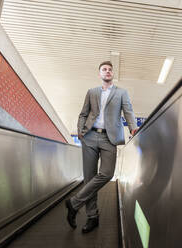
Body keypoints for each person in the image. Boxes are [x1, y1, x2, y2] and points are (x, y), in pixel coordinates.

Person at [65, 61, 138, 233]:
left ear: (113, 74)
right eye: (104, 69)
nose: (107, 71)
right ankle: (92, 217)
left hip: (109, 138)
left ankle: (74, 203)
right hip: (90, 136)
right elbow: (83, 113)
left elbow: (128, 111)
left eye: (110, 70)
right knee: (90, 178)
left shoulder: (121, 93)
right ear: (100, 74)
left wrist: (133, 127)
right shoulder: (92, 92)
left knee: (107, 173)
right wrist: (81, 131)